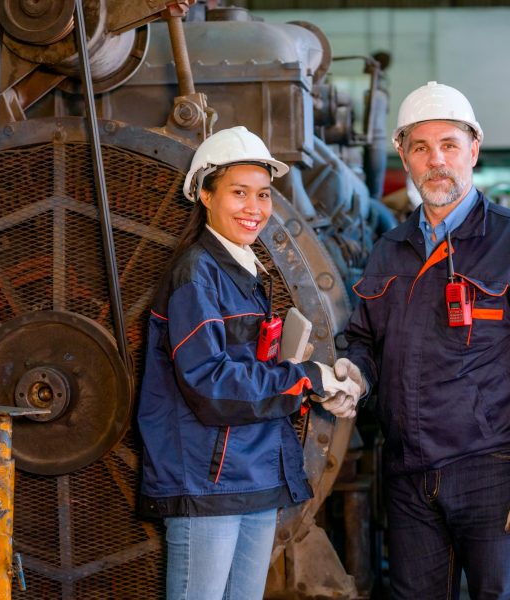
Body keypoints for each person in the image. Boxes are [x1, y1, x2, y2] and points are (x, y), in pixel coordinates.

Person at [340, 82, 510, 599]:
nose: (436, 160)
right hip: (408, 474)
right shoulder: (390, 250)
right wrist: (354, 374)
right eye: (420, 148)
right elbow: (363, 339)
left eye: (449, 144)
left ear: (473, 148)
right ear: (402, 154)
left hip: (491, 470)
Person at [137, 126, 360, 600]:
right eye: (238, 193)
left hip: (254, 472)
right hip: (209, 481)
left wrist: (317, 383)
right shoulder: (196, 274)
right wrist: (304, 378)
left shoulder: (244, 270)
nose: (254, 209)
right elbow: (210, 383)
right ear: (204, 194)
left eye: (262, 195)